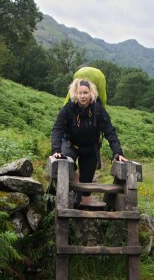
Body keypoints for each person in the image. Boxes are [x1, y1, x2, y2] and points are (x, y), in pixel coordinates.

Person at [51, 77, 127, 206]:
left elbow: (110, 131)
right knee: (66, 161)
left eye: (85, 93)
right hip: (70, 144)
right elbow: (57, 129)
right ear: (75, 93)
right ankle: (69, 196)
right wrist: (56, 150)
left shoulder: (98, 110)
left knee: (86, 187)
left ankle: (80, 197)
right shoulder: (68, 109)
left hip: (90, 147)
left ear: (91, 93)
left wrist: (118, 152)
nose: (82, 96)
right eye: (79, 93)